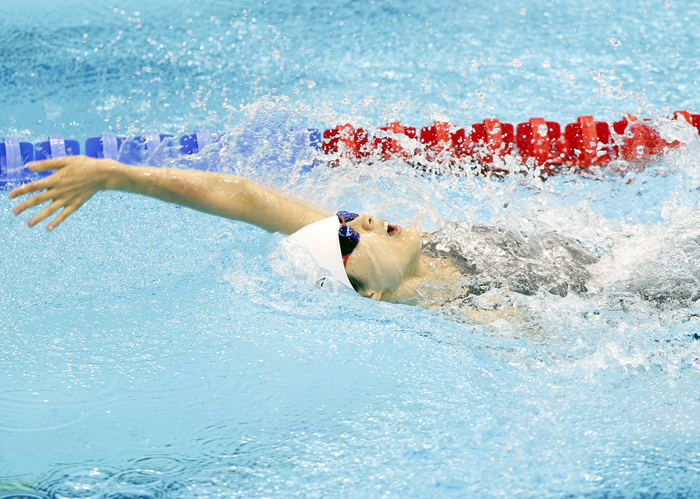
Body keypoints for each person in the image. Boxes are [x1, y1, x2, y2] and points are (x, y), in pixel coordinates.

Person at [10, 155, 597, 321]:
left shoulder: (413, 259)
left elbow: (243, 196)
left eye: (347, 217)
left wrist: (119, 175)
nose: (362, 220)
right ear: (370, 292)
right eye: (349, 238)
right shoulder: (482, 316)